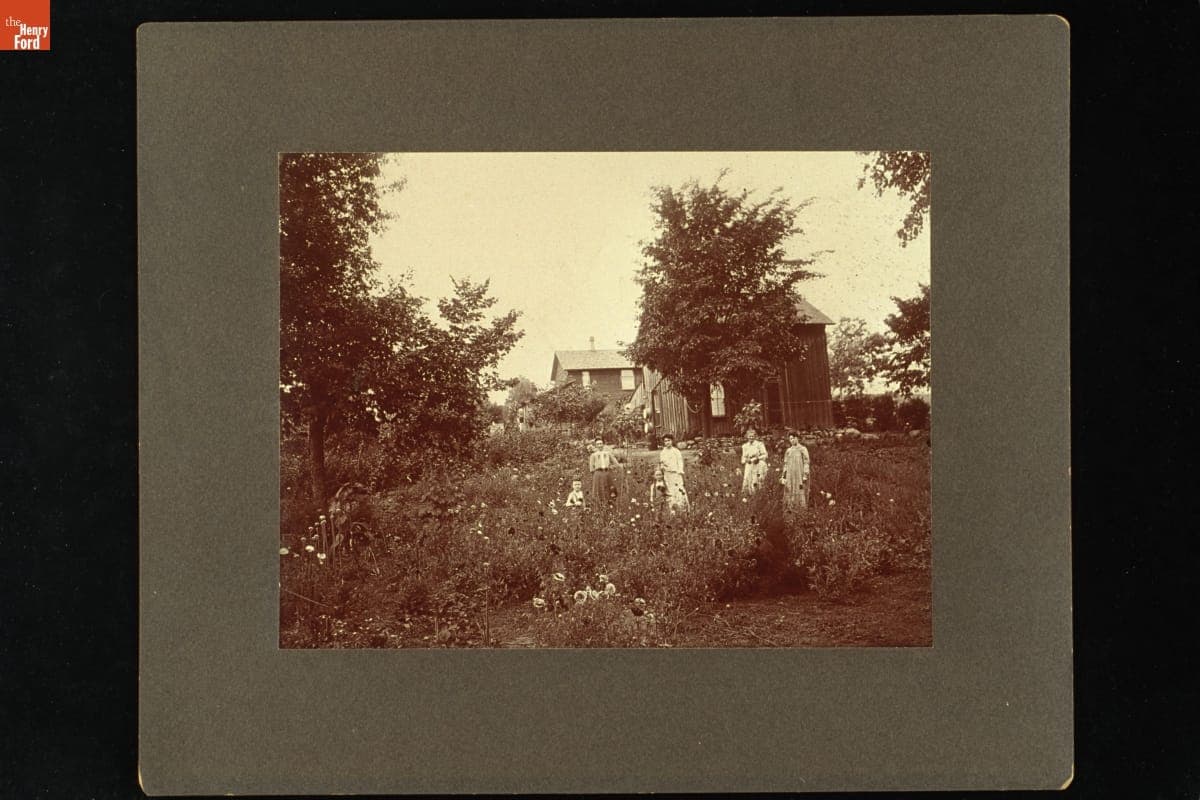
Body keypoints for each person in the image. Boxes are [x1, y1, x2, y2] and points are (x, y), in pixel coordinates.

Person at [780, 431, 811, 510]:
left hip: (799, 473)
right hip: (790, 474)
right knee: (790, 488)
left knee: (800, 488)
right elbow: (786, 464)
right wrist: (784, 475)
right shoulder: (788, 451)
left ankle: (800, 508)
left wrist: (805, 474)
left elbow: (806, 462)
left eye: (793, 438)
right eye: (790, 439)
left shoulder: (802, 449)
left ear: (797, 438)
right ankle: (791, 507)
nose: (792, 440)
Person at [658, 434, 689, 513]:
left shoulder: (676, 451)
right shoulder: (663, 452)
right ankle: (672, 508)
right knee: (670, 491)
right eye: (665, 441)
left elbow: (680, 461)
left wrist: (680, 471)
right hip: (667, 474)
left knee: (679, 489)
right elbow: (661, 462)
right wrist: (662, 467)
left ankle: (682, 507)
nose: (667, 442)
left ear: (672, 441)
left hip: (675, 473)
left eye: (669, 440)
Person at [588, 437, 621, 505]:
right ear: (596, 445)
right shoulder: (593, 455)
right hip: (598, 473)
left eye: (601, 443)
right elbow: (591, 468)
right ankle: (600, 504)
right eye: (598, 444)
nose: (600, 445)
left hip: (607, 472)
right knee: (599, 488)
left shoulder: (608, 453)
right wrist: (596, 474)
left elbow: (616, 463)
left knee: (610, 488)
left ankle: (610, 503)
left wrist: (613, 467)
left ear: (603, 444)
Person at [740, 427, 768, 494]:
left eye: (752, 436)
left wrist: (758, 458)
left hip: (758, 464)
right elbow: (743, 458)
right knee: (748, 479)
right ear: (747, 437)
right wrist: (746, 460)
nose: (751, 438)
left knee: (757, 480)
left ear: (755, 436)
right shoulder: (745, 446)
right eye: (750, 436)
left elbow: (765, 455)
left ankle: (759, 494)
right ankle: (750, 495)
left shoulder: (759, 444)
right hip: (749, 465)